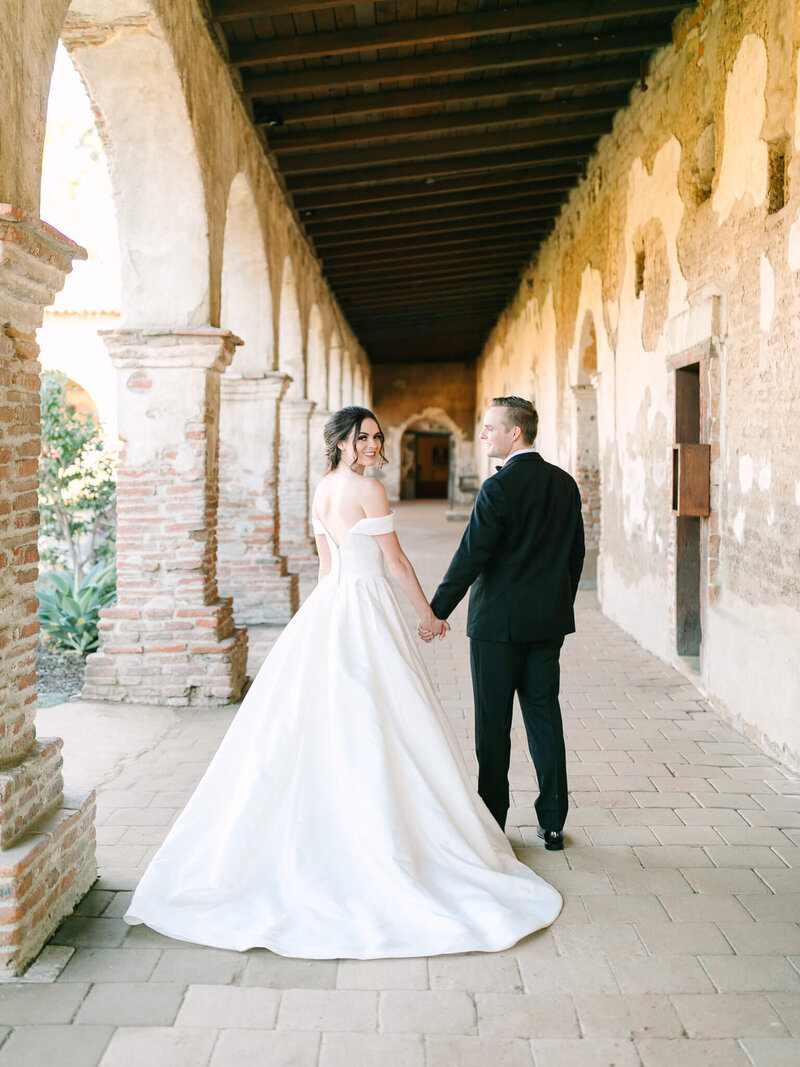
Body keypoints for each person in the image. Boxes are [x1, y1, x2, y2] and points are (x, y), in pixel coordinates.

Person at [124, 406, 562, 958]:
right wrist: (427, 614)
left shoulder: (323, 489)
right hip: (366, 606)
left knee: (325, 717)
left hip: (329, 607)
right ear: (340, 442)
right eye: (364, 438)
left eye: (378, 437)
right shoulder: (368, 490)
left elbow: (327, 570)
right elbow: (395, 561)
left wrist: (325, 615)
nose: (373, 445)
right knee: (382, 717)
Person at [424, 397, 584, 851]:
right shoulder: (565, 484)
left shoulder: (498, 489)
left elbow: (472, 555)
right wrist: (557, 605)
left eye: (491, 427)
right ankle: (552, 823)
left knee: (493, 726)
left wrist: (436, 611)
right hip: (546, 626)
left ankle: (493, 821)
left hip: (496, 628)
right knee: (544, 718)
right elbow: (575, 555)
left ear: (516, 433)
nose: (484, 434)